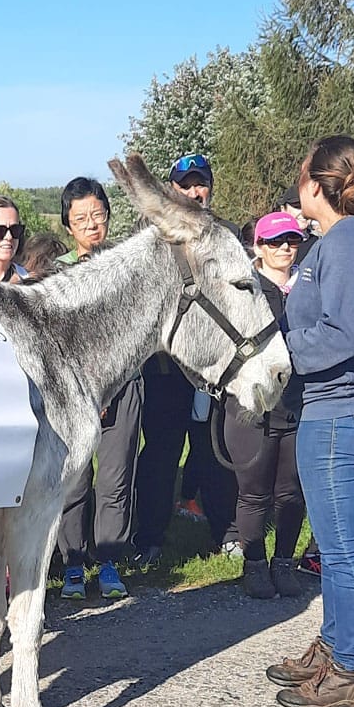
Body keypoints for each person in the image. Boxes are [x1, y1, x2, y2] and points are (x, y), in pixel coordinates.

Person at [266, 135, 354, 707]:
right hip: (332, 408)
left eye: (302, 174)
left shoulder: (346, 241)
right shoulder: (339, 241)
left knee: (343, 550)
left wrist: (278, 353)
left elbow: (343, 333)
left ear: (316, 184)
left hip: (341, 412)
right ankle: (335, 644)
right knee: (338, 546)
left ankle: (349, 670)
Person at [132, 153, 237, 568]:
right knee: (161, 455)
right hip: (167, 370)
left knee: (216, 452)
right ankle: (149, 538)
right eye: (186, 184)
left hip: (214, 368)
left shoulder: (226, 236)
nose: (194, 191)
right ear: (172, 189)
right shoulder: (155, 240)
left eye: (201, 183)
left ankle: (227, 532)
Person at [52, 178, 139, 600]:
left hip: (124, 385)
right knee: (74, 480)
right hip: (75, 392)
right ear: (68, 223)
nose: (91, 224)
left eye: (98, 215)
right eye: (81, 217)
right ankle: (72, 563)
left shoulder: (126, 266)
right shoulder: (59, 273)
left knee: (115, 478)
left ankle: (108, 559)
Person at [223, 213, 305, 598]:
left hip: (296, 403)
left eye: (291, 240)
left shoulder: (309, 285)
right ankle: (254, 564)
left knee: (291, 493)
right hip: (251, 407)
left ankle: (284, 563)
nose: (285, 247)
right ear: (258, 246)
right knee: (254, 493)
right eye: (275, 241)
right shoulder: (242, 289)